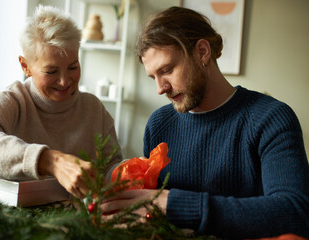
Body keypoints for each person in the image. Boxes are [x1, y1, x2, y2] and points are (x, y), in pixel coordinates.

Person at [101, 6, 309, 239]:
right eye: (153, 77)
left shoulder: (271, 119)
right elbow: (152, 212)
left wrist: (175, 205)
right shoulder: (158, 124)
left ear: (202, 52)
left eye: (167, 70)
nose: (160, 88)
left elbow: (295, 211)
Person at [0, 5, 122, 199]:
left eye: (73, 67)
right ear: (25, 66)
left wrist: (131, 172)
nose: (64, 81)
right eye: (51, 72)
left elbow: (112, 167)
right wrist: (50, 161)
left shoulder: (94, 109)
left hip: (81, 223)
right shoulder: (12, 101)